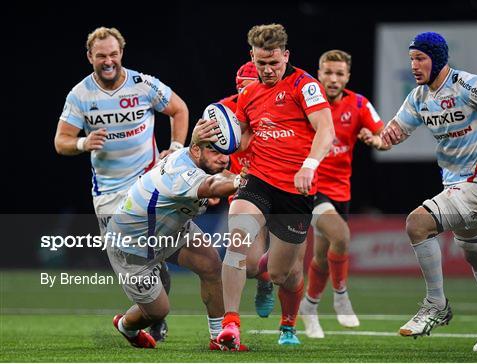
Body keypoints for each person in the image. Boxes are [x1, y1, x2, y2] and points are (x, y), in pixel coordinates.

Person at [378, 32, 477, 352]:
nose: (415, 65)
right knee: (476, 253)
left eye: (421, 58)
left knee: (417, 223)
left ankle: (436, 305)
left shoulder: (466, 85)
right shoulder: (419, 97)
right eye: (411, 59)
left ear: (438, 59)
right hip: (457, 185)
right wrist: (382, 137)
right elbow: (396, 132)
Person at [53, 27, 189, 341]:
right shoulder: (81, 95)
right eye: (101, 55)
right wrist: (84, 142)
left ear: (121, 53)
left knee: (181, 263)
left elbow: (178, 108)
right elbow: (61, 141)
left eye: (113, 54)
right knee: (147, 271)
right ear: (90, 57)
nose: (108, 60)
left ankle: (151, 315)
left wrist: (177, 147)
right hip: (110, 199)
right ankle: (145, 316)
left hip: (151, 189)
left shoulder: (143, 85)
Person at [216, 23, 335, 349]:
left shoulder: (305, 86)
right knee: (238, 242)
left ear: (286, 56)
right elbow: (240, 142)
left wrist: (309, 165)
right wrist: (211, 138)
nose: (267, 70)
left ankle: (288, 322)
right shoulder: (249, 94)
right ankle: (230, 325)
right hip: (258, 181)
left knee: (285, 274)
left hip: (296, 190)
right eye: (260, 63)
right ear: (251, 57)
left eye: (273, 63)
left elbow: (326, 130)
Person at [108, 121, 245, 350]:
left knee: (211, 265)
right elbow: (211, 185)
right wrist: (240, 181)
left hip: (171, 231)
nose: (223, 159)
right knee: (157, 311)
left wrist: (232, 179)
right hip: (133, 247)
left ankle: (218, 339)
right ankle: (126, 326)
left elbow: (217, 177)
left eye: (226, 153)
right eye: (214, 150)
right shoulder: (179, 174)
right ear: (196, 150)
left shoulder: (193, 158)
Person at [298, 50, 386, 338]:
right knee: (342, 237)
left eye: (339, 74)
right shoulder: (306, 104)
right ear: (318, 73)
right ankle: (341, 296)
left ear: (347, 77)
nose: (333, 79)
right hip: (311, 187)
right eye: (328, 72)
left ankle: (309, 309)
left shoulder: (359, 103)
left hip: (341, 191)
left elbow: (383, 135)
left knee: (322, 258)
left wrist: (374, 140)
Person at [220, 61, 275, 318]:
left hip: (276, 186)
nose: (247, 94)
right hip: (242, 189)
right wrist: (220, 180)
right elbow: (207, 156)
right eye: (243, 89)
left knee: (287, 268)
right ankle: (261, 280)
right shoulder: (221, 112)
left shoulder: (279, 109)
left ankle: (289, 323)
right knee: (249, 263)